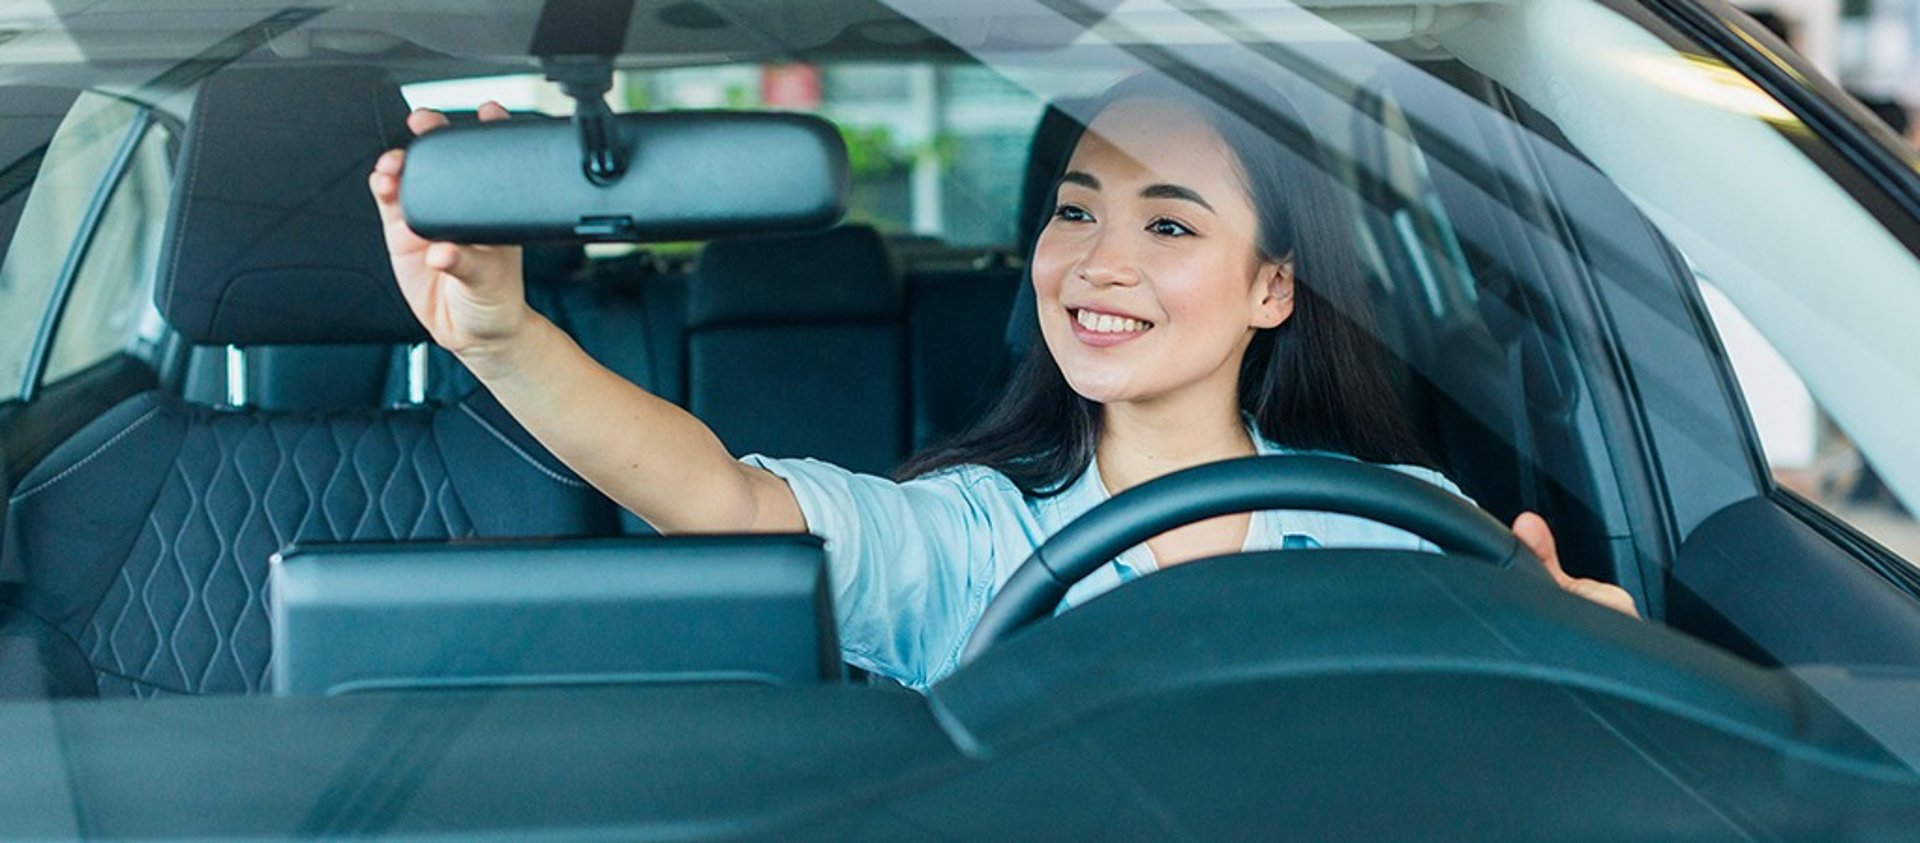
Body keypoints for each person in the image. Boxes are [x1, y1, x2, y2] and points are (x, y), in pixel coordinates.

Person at [367, 75, 1638, 690]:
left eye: (1169, 225)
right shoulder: (977, 540)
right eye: (1076, 211)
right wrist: (499, 336)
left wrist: (1595, 662)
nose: (1097, 262)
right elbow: (726, 503)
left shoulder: (1402, 524)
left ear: (1273, 287)